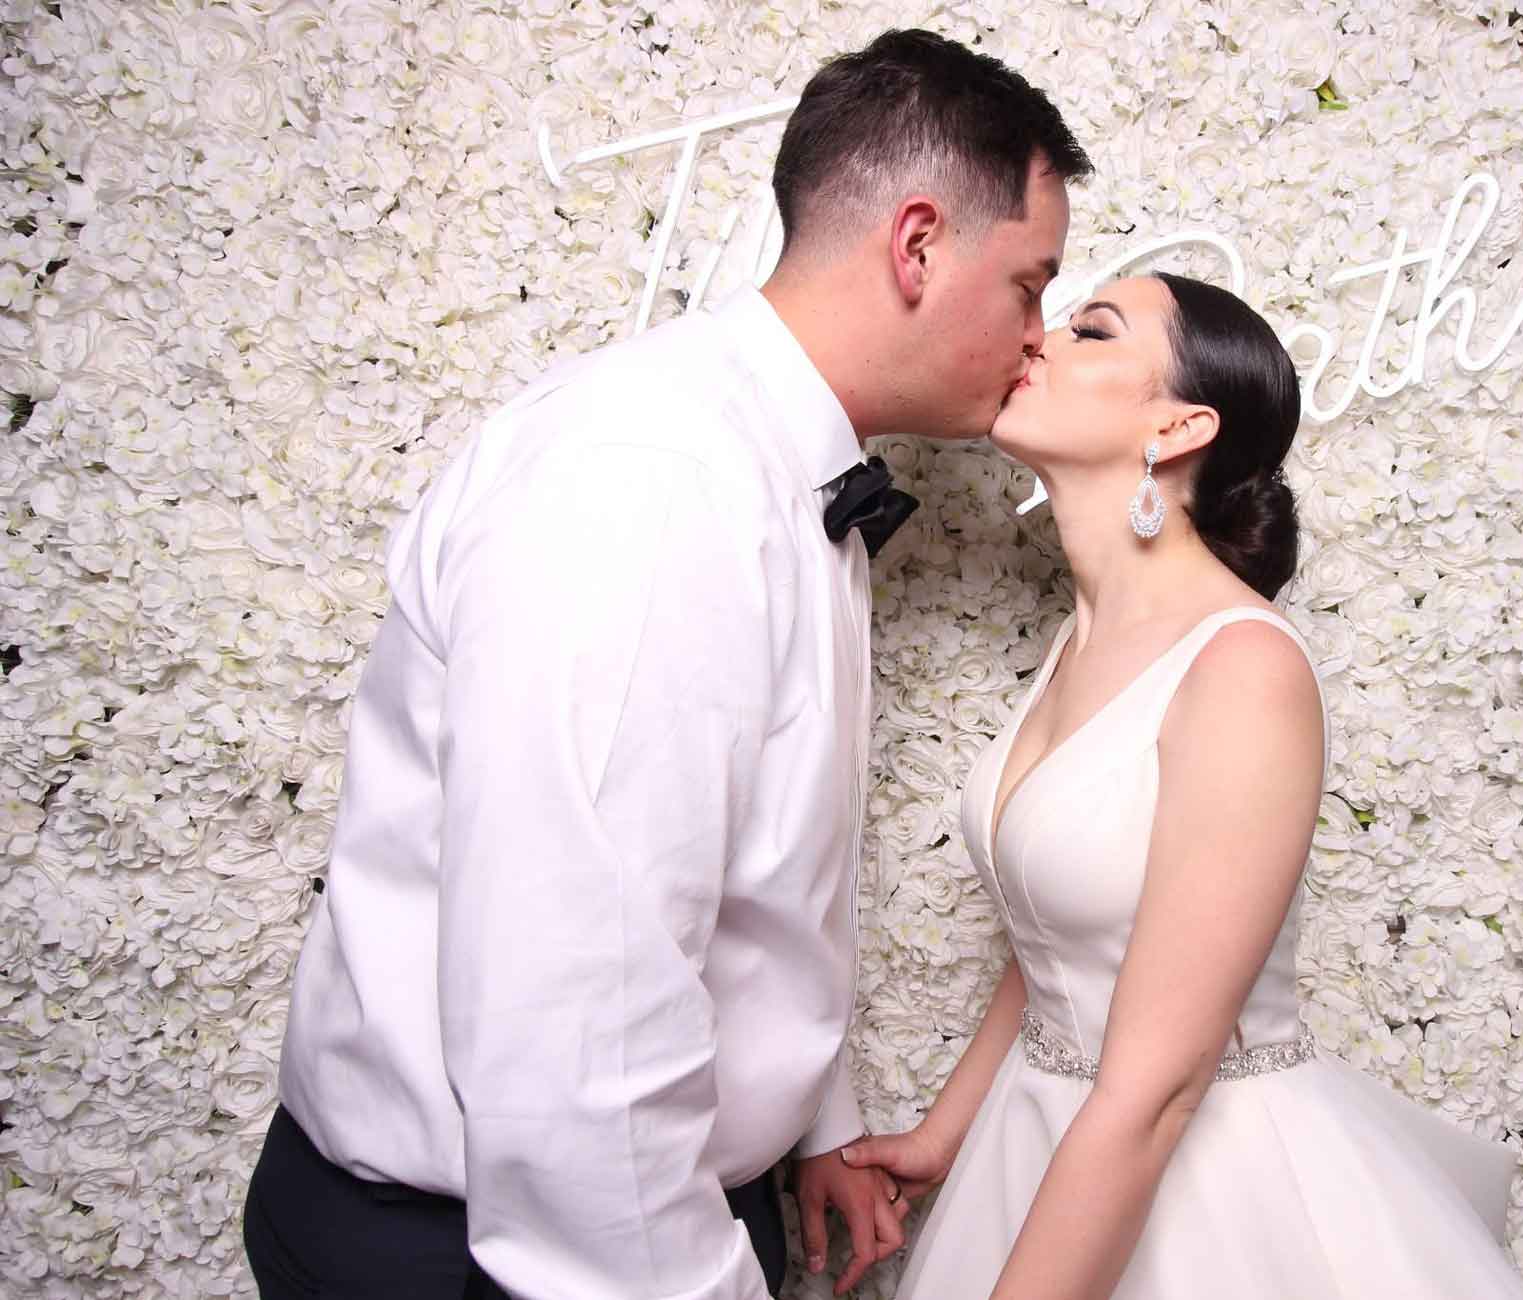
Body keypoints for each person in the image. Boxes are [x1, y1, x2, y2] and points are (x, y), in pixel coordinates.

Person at [242, 29, 1091, 1300]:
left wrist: (809, 1119)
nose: (1037, 335)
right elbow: (578, 1022)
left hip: (655, 1197)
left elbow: (745, 880)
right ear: (917, 244)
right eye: (1029, 285)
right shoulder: (649, 484)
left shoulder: (781, 470)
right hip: (500, 1245)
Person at [840, 273, 1523, 1298]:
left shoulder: (1242, 666)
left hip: (1204, 1190)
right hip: (1038, 1139)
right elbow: (1062, 932)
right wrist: (944, 1135)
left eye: (1092, 330)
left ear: (1178, 427)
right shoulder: (1080, 640)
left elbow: (1158, 1094)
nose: (1040, 339)